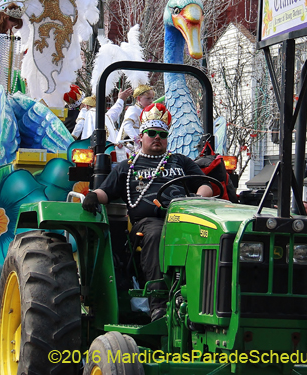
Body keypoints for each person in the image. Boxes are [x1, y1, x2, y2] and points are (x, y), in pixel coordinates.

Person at [81, 103, 214, 321]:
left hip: (185, 217)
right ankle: (158, 305)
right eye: (151, 133)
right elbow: (106, 190)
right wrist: (94, 195)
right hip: (148, 222)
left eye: (162, 134)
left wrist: (199, 198)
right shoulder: (128, 166)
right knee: (156, 234)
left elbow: (205, 184)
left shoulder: (180, 160)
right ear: (141, 136)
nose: (157, 138)